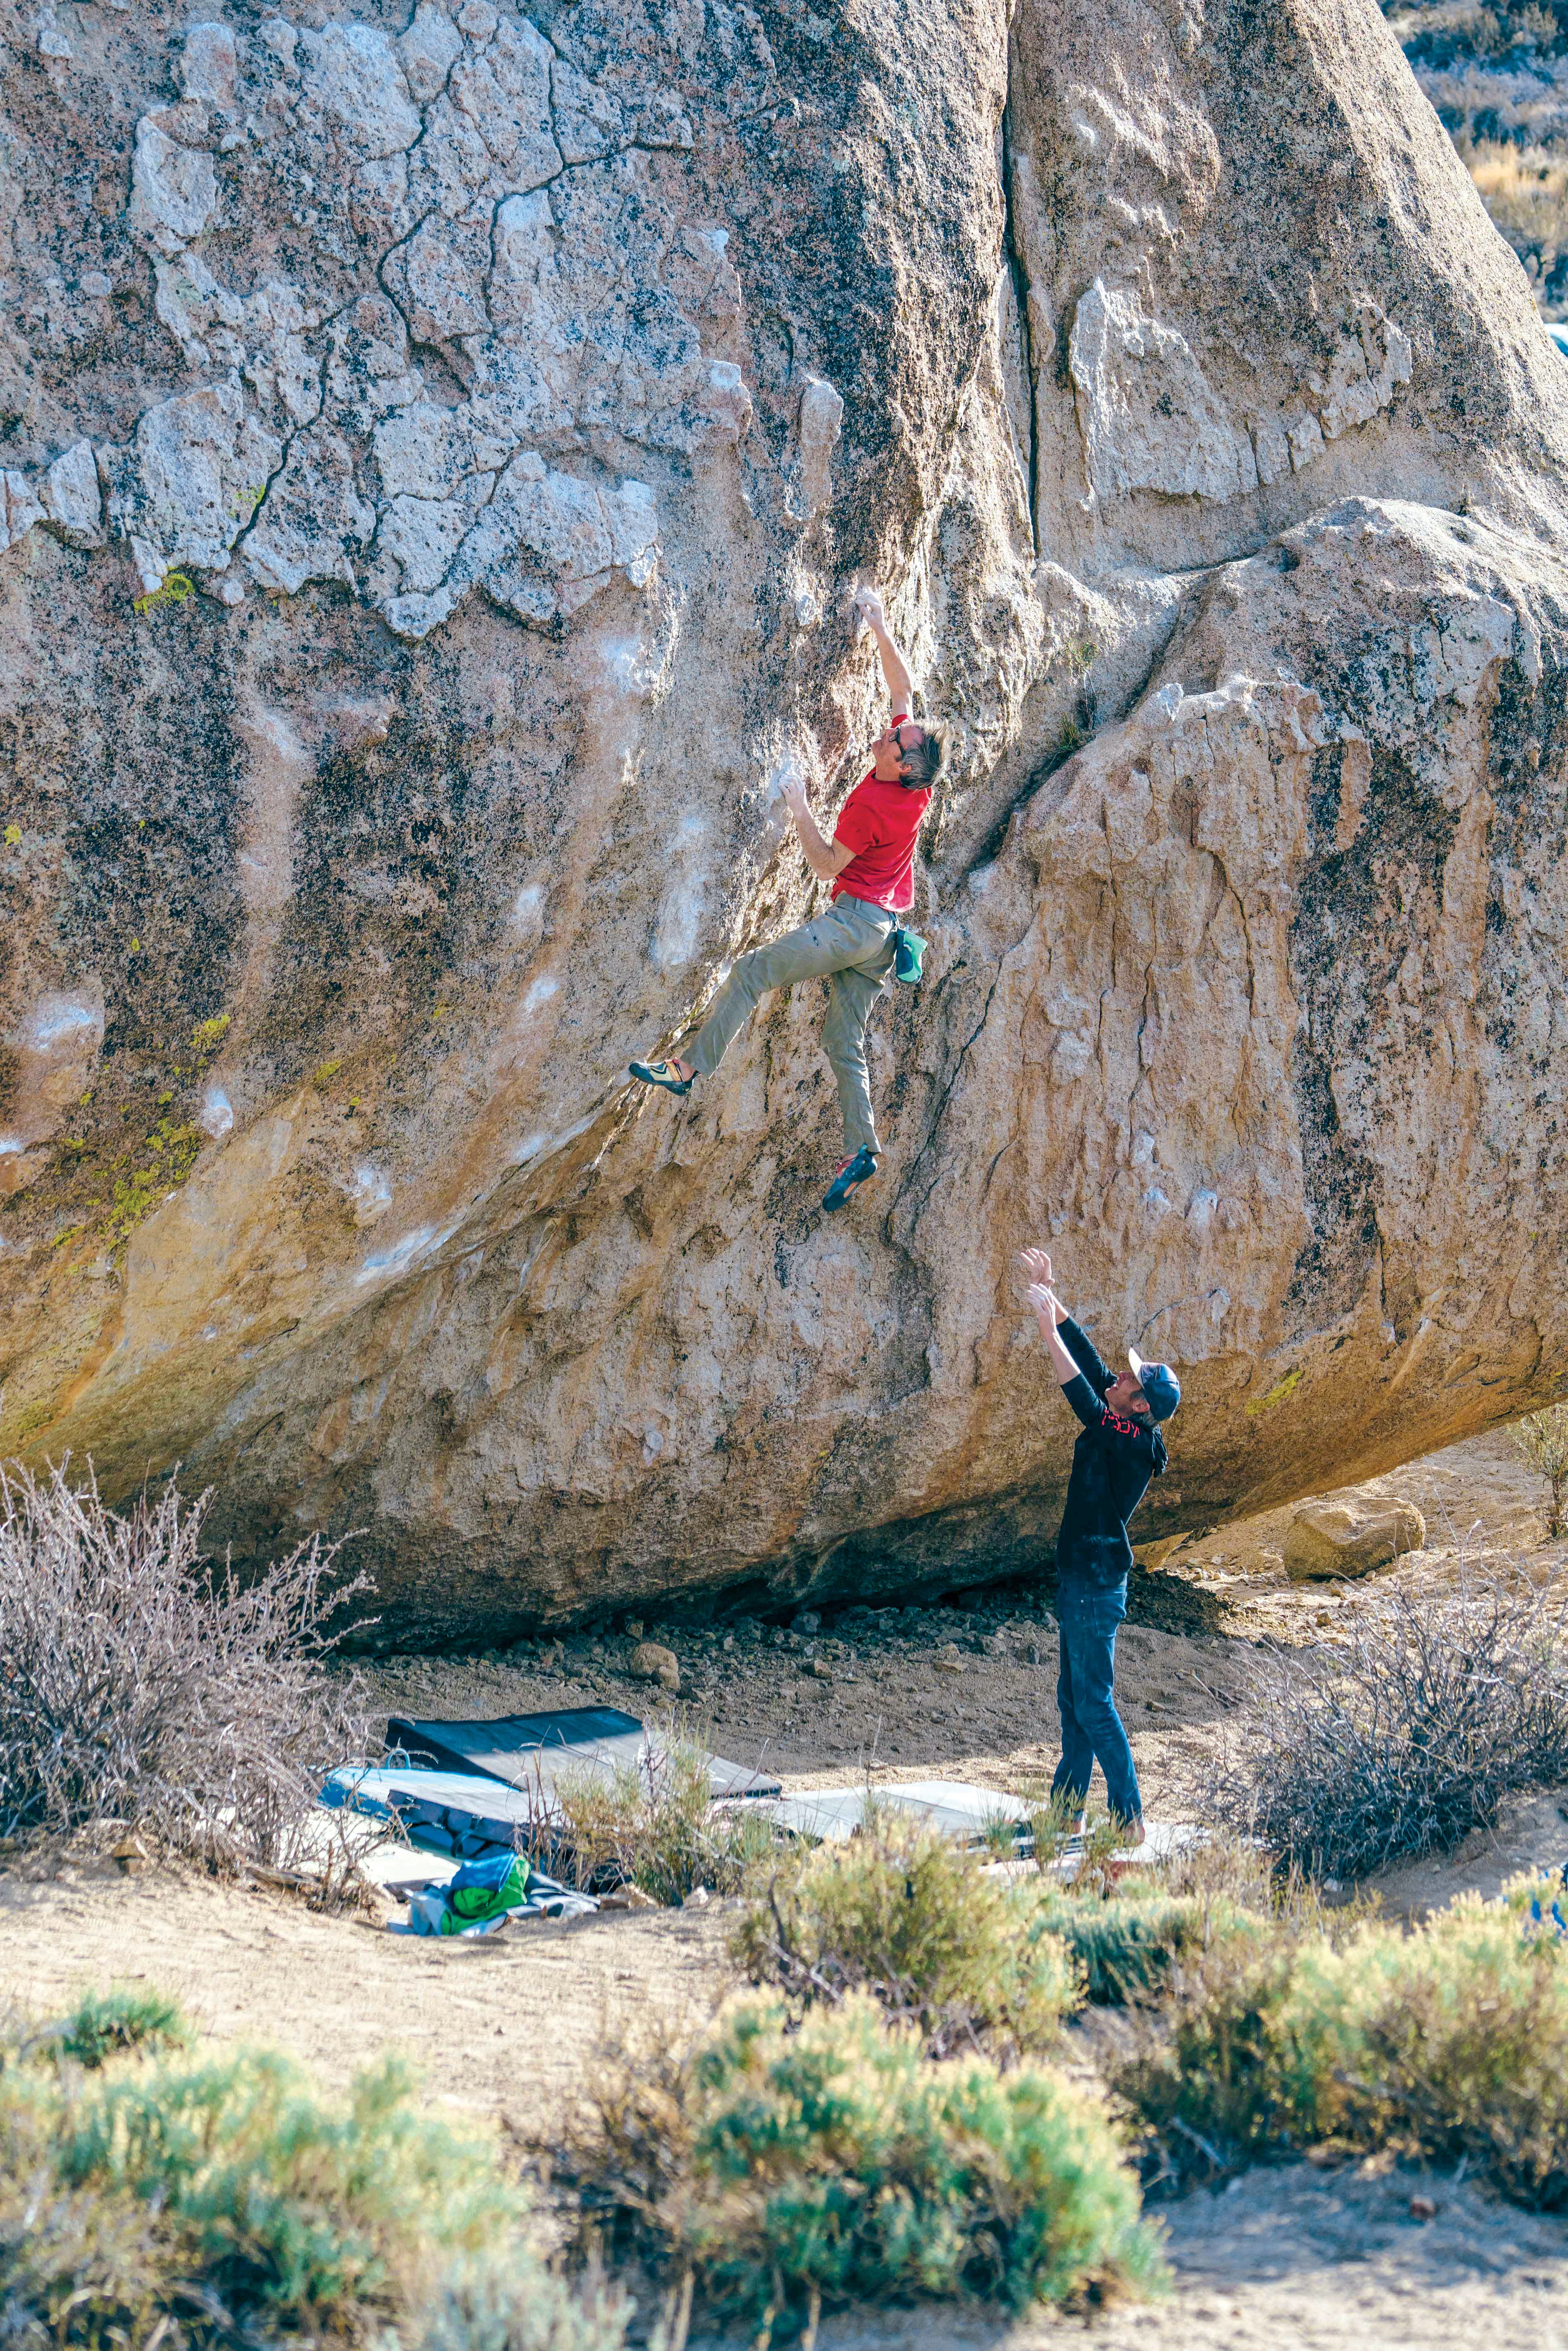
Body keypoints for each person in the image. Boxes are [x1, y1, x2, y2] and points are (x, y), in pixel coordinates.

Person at [631, 588, 945, 1212]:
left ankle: (688, 1070)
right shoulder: (912, 782)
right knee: (842, 1042)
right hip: (881, 937)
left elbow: (827, 862)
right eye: (897, 733)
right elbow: (902, 690)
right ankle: (863, 1148)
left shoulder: (879, 808)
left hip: (854, 927)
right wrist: (880, 627)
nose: (888, 735)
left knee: (753, 972)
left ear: (905, 768)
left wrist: (798, 804)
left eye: (896, 742)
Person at [1019, 1247, 1181, 1849]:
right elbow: (1088, 1361)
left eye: (1131, 1379)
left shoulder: (1129, 1440)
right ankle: (1066, 1812)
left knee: (1093, 1703)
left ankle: (1130, 1817)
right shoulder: (1127, 1416)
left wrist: (1043, 1329)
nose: (1120, 1375)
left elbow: (1084, 1397)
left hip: (1095, 1582)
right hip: (1081, 1578)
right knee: (1074, 1702)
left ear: (1140, 1405)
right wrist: (1051, 1295)